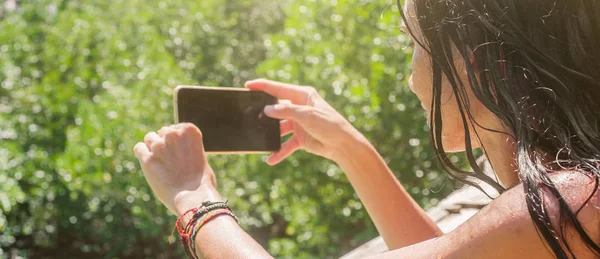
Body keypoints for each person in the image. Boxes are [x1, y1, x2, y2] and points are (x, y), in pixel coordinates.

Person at [133, 0, 600, 258]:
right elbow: (452, 253)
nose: (409, 75)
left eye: (412, 46)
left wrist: (193, 199)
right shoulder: (570, 196)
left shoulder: (569, 206)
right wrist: (351, 149)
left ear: (473, 62)